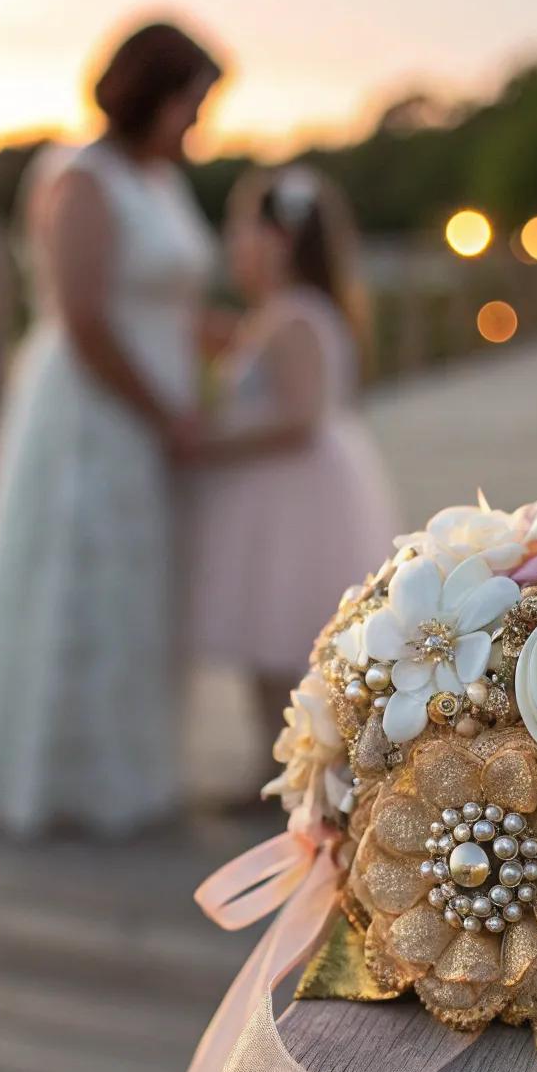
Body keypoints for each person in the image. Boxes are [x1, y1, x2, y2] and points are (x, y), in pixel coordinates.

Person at [0, 19, 221, 835]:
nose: (199, 122)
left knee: (140, 588)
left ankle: (130, 773)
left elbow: (176, 305)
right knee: (79, 585)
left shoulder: (161, 181)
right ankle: (54, 781)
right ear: (151, 94)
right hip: (94, 414)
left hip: (153, 409)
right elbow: (87, 320)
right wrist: (167, 417)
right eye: (191, 103)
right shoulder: (81, 179)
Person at [186, 166, 399, 752]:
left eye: (240, 232)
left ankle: (294, 764)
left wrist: (204, 441)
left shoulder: (295, 316)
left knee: (283, 630)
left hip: (292, 494)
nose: (233, 246)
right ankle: (273, 760)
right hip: (287, 487)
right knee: (269, 634)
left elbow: (299, 414)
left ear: (276, 240)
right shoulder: (284, 314)